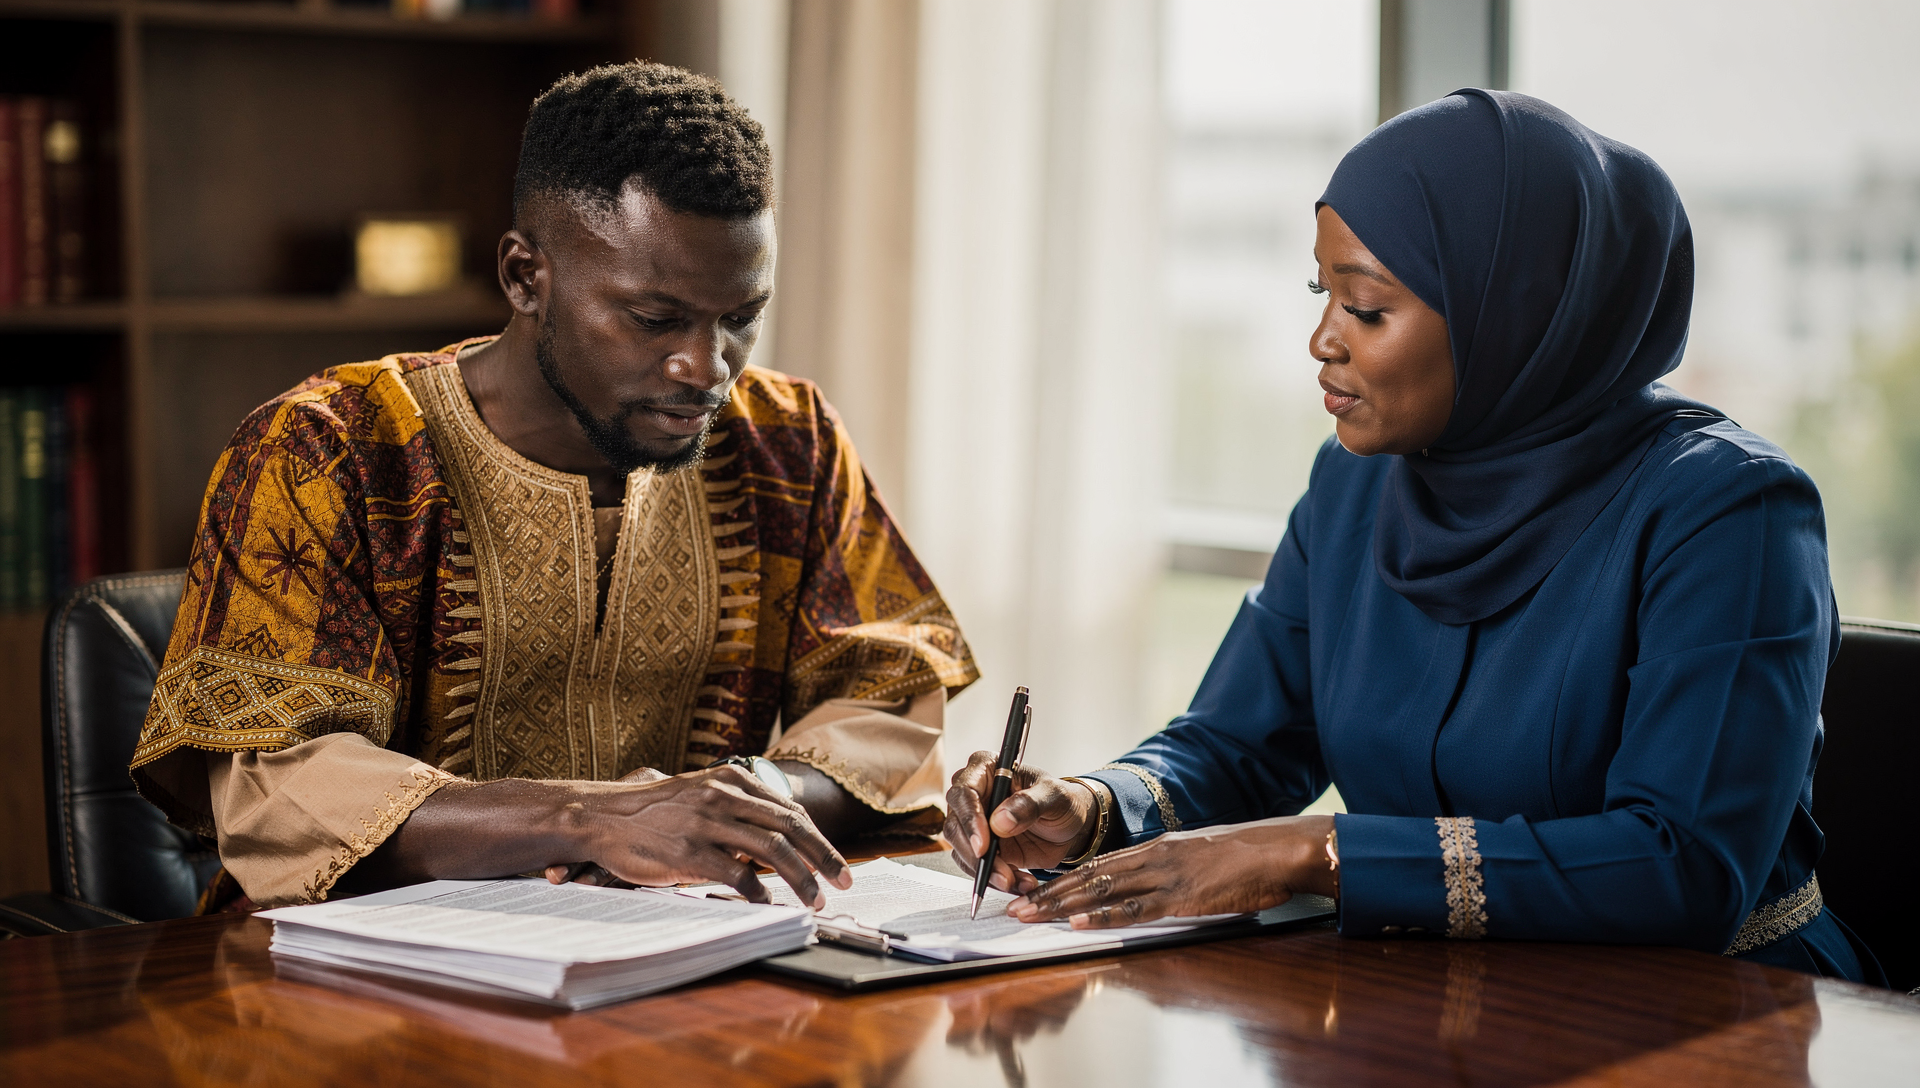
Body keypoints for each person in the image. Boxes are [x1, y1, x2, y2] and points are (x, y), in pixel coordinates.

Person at [944, 90, 1881, 983]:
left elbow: (1682, 865)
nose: (1321, 339)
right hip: (1428, 1002)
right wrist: (1094, 806)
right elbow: (1240, 743)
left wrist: (1321, 851)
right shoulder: (1353, 484)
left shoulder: (1730, 511)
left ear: (1509, 313)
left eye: (1365, 307)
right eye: (1322, 293)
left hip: (1709, 1015)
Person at [131, 62, 978, 911]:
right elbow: (273, 781)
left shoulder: (786, 441)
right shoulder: (331, 450)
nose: (706, 367)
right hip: (350, 989)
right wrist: (591, 819)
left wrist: (738, 802)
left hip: (686, 967)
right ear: (525, 276)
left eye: (739, 317)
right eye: (655, 320)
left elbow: (886, 696)